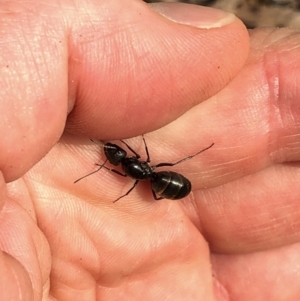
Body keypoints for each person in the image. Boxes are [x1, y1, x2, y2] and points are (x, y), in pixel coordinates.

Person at [1, 1, 299, 300]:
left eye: (114, 157)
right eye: (115, 157)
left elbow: (130, 157)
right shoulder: (138, 170)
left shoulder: (135, 170)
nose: (116, 156)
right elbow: (130, 157)